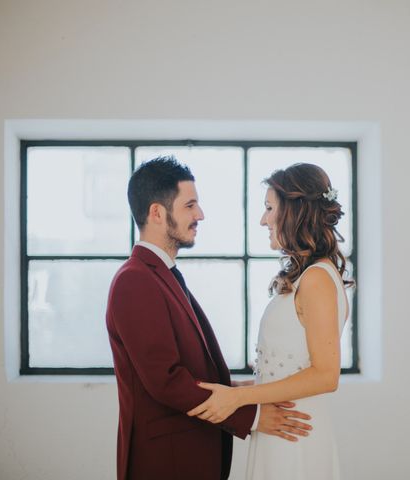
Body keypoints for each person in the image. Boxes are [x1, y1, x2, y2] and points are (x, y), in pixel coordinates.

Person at [106, 156, 312, 480]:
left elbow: (191, 371)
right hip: (167, 464)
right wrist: (252, 414)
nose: (200, 215)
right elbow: (166, 380)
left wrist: (246, 388)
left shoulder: (161, 275)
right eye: (190, 205)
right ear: (157, 213)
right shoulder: (135, 280)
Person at [187, 163, 353, 480]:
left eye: (268, 208)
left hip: (297, 434)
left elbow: (325, 375)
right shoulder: (306, 275)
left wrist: (238, 398)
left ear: (295, 211)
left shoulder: (317, 279)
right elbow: (292, 369)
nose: (263, 220)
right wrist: (233, 388)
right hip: (283, 426)